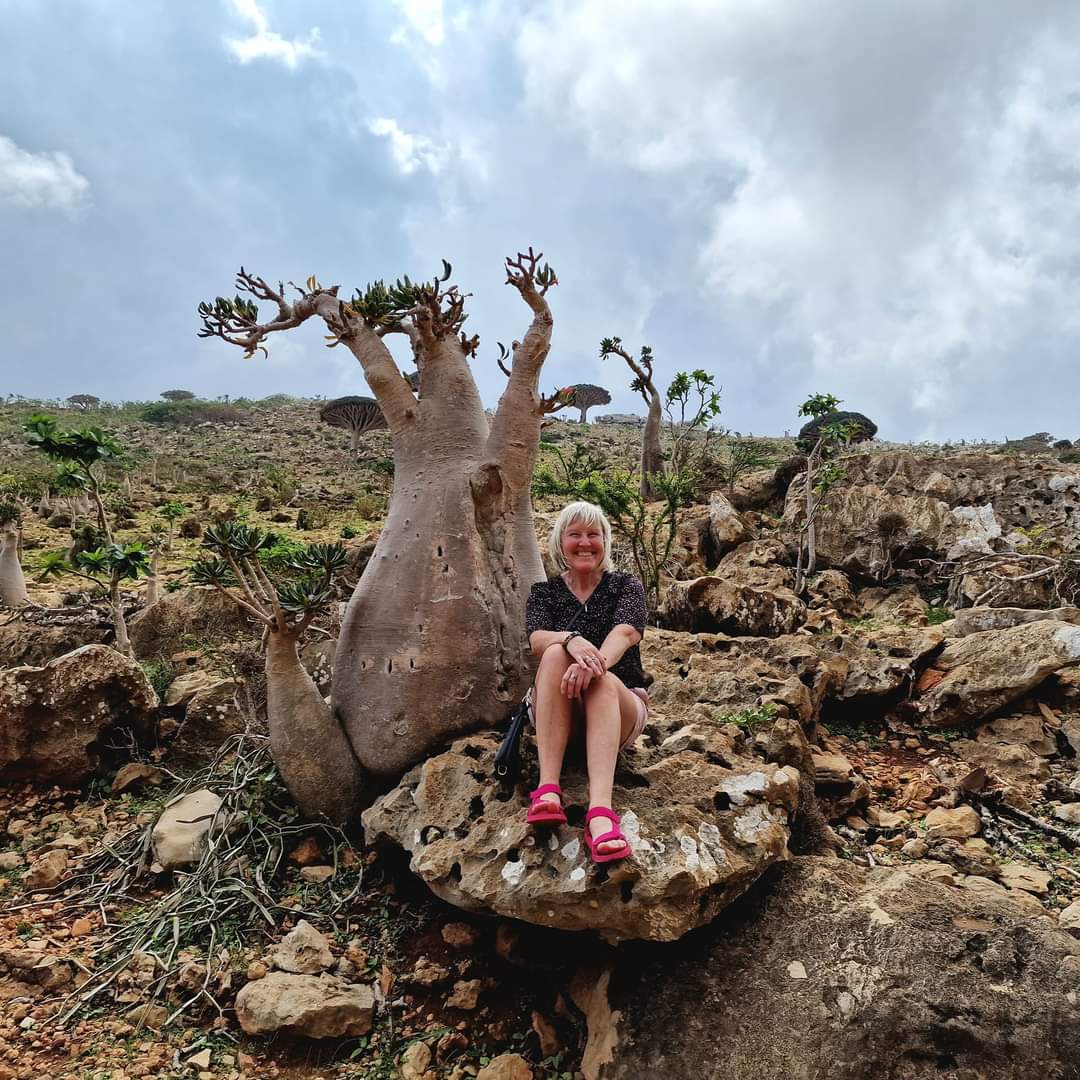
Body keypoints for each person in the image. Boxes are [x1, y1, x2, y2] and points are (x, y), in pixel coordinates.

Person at [524, 500, 649, 863]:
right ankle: (548, 790)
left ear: (605, 541)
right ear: (560, 543)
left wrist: (595, 664)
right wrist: (570, 640)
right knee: (552, 652)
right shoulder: (544, 593)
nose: (584, 543)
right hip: (559, 710)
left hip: (618, 710)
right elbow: (536, 640)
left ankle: (600, 814)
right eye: (574, 534)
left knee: (605, 683)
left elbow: (625, 633)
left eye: (593, 534)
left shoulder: (625, 586)